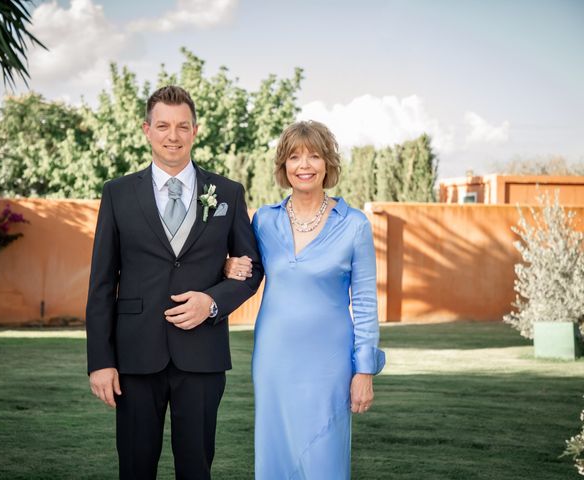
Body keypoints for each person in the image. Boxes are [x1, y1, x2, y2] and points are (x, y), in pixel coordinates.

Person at [86, 85, 263, 480]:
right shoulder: (117, 193)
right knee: (134, 467)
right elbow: (101, 283)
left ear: (195, 131)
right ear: (146, 129)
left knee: (196, 469)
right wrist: (100, 361)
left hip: (201, 356)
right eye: (163, 126)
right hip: (135, 355)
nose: (173, 135)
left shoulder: (228, 194)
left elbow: (251, 269)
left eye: (183, 126)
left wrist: (212, 302)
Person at [225, 120, 386, 479]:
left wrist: (364, 370)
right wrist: (226, 264)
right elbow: (245, 270)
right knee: (276, 453)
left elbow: (364, 303)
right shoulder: (264, 222)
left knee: (323, 458)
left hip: (329, 363)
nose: (304, 165)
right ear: (283, 167)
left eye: (314, 155)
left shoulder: (355, 225)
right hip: (274, 360)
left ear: (328, 164)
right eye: (295, 157)